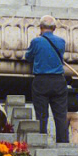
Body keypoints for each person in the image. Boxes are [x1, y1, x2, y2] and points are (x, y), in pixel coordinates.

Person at [25, 16, 70, 145]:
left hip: (41, 80)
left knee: (41, 115)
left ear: (40, 27)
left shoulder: (36, 41)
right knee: (61, 115)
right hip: (58, 81)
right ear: (54, 28)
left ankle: (41, 142)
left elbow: (28, 57)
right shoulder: (61, 41)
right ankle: (63, 143)